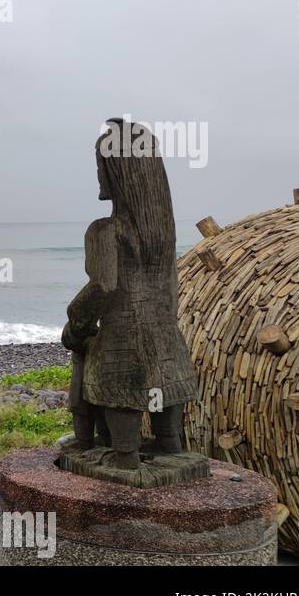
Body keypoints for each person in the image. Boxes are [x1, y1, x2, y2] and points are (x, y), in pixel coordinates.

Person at [62, 119, 198, 469]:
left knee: (122, 429)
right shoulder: (165, 237)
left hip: (122, 353)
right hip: (168, 344)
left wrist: (75, 322)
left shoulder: (105, 230)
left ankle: (125, 456)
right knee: (171, 443)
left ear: (112, 170)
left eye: (99, 164)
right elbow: (171, 287)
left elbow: (102, 286)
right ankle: (169, 444)